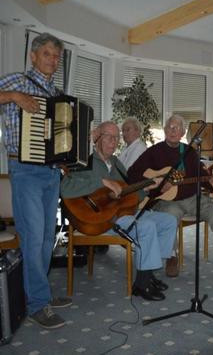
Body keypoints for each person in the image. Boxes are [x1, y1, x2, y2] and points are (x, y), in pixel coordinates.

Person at [0, 33, 72, 329]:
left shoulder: (55, 92)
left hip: (50, 172)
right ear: (33, 56)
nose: (52, 61)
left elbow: (55, 138)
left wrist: (64, 159)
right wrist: (15, 97)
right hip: (24, 169)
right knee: (33, 238)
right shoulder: (16, 81)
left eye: (56, 57)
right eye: (47, 54)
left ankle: (38, 294)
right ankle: (38, 304)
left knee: (46, 239)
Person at [60, 121, 177, 301]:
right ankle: (142, 284)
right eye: (109, 136)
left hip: (120, 213)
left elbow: (128, 194)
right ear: (97, 138)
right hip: (99, 218)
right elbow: (65, 188)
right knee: (145, 227)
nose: (113, 142)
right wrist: (102, 182)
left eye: (116, 138)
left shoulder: (116, 163)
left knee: (168, 221)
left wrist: (146, 189)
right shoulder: (85, 161)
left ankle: (148, 274)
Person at [128, 115, 213, 278]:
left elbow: (202, 176)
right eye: (169, 127)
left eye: (177, 128)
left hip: (193, 199)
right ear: (165, 130)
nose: (173, 131)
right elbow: (132, 174)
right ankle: (172, 256)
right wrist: (154, 182)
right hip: (167, 202)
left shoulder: (189, 152)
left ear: (182, 132)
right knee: (170, 216)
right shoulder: (154, 151)